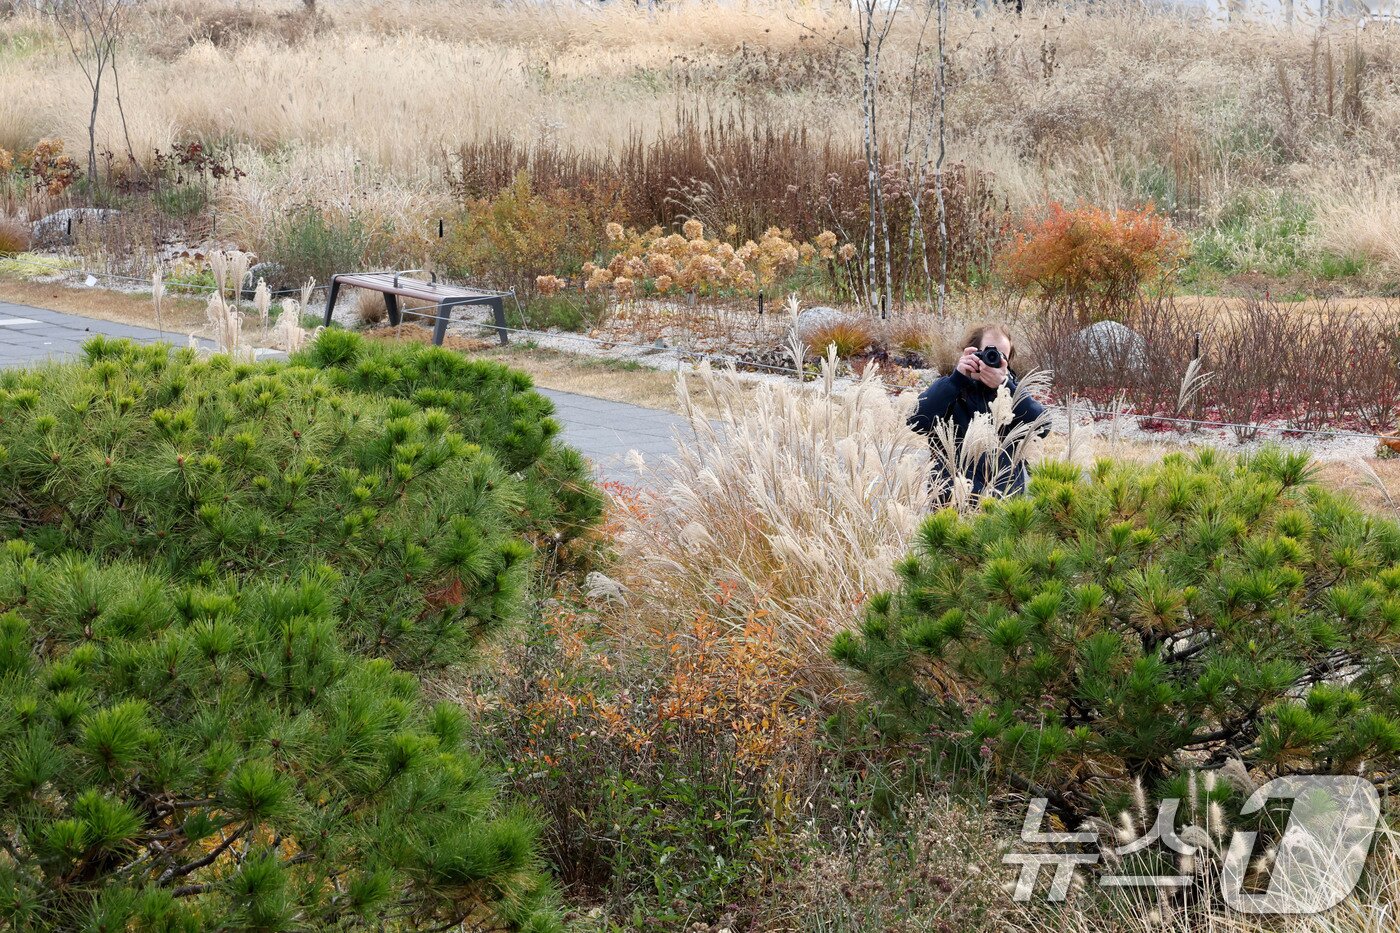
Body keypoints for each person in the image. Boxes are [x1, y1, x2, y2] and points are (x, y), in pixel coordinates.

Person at [908, 323, 1048, 499]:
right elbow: (915, 421)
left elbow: (1043, 426)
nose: (992, 360)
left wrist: (1007, 387)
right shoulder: (950, 389)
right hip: (953, 507)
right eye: (987, 354)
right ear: (971, 352)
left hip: (1003, 509)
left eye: (1000, 356)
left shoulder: (1014, 394)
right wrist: (956, 381)